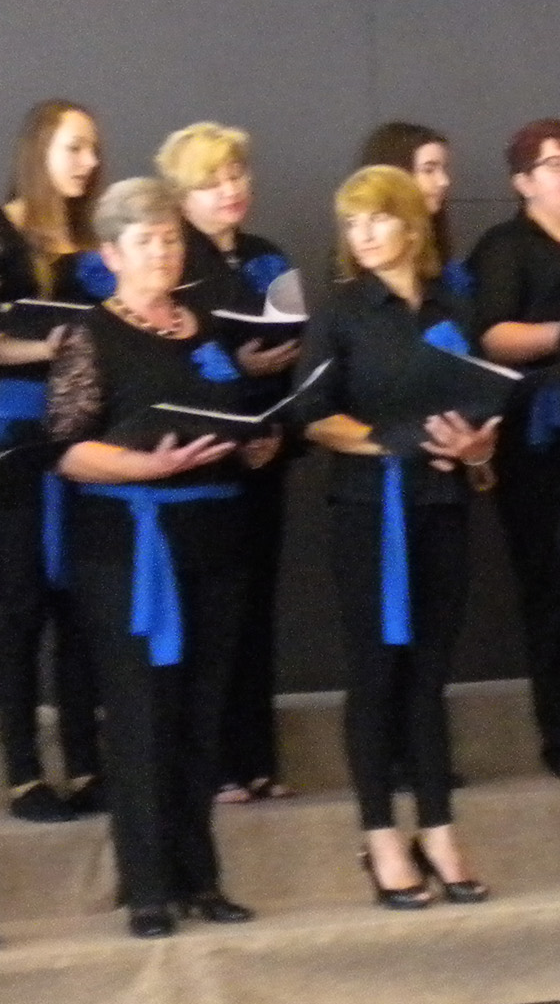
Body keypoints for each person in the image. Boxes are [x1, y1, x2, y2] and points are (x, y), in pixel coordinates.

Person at [47, 178, 278, 938]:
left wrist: (257, 441)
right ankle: (147, 887)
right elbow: (67, 450)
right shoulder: (91, 334)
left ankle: (199, 878)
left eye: (172, 239)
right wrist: (143, 467)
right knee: (143, 715)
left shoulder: (206, 328)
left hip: (216, 536)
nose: (163, 253)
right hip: (130, 547)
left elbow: (235, 416)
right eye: (146, 241)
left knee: (203, 715)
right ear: (111, 254)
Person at [300, 167, 498, 907]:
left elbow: (480, 412)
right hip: (368, 508)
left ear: (412, 226)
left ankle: (439, 828)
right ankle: (381, 833)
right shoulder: (343, 312)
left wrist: (477, 451)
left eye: (378, 218)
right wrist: (390, 441)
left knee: (430, 672)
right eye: (353, 223)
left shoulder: (455, 309)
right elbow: (312, 416)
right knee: (377, 671)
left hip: (443, 503)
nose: (364, 234)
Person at [0, 98, 106, 824]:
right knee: (20, 602)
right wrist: (49, 347)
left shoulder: (96, 238)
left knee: (80, 605)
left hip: (86, 431)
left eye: (93, 149)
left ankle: (86, 762)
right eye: (74, 147)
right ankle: (22, 772)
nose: (89, 162)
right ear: (38, 149)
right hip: (20, 429)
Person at [156, 122, 302, 806]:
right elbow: (164, 364)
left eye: (237, 175)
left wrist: (277, 432)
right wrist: (239, 367)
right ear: (181, 194)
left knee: (255, 609)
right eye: (212, 181)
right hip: (196, 461)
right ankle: (208, 763)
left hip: (261, 451)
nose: (230, 190)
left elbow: (296, 355)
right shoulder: (170, 259)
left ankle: (256, 756)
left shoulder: (269, 258)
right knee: (202, 620)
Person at [468, 119, 560, 779]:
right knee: (554, 586)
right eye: (554, 164)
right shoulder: (506, 246)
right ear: (523, 182)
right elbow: (494, 338)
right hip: (539, 441)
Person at [359, 121, 471, 297]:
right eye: (428, 170)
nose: (444, 181)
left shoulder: (436, 246)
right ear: (394, 174)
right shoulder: (363, 256)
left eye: (443, 169)